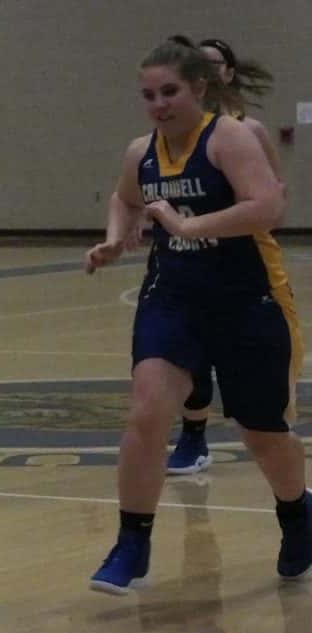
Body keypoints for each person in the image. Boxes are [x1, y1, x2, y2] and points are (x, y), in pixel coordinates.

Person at [86, 40, 309, 595]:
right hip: (173, 298)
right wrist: (114, 238)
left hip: (246, 298)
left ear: (200, 89)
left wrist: (188, 226)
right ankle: (131, 542)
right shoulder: (140, 151)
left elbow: (269, 206)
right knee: (146, 413)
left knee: (262, 433)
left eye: (170, 92)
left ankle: (297, 512)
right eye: (148, 95)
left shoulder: (230, 137)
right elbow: (125, 198)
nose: (158, 104)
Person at [165, 38, 292, 474]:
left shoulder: (246, 130)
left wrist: (224, 214)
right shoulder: (174, 134)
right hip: (191, 260)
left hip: (249, 261)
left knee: (267, 369)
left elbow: (275, 202)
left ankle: (281, 454)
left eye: (212, 63)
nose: (203, 69)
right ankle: (193, 438)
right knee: (189, 354)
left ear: (229, 73)